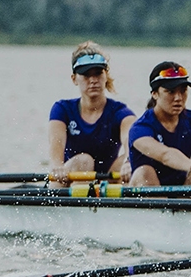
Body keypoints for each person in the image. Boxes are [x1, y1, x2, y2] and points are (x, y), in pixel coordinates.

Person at [126, 61, 191, 187]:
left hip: (181, 193)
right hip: (147, 190)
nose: (178, 98)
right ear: (155, 94)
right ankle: (160, 207)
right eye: (171, 91)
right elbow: (165, 155)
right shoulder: (140, 128)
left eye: (183, 91)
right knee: (145, 172)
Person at [46, 42, 135, 184]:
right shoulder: (62, 109)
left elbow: (130, 139)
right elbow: (56, 143)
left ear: (106, 76)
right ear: (74, 79)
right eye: (86, 75)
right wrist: (57, 165)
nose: (93, 80)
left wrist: (129, 161)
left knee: (132, 159)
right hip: (66, 182)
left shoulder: (120, 112)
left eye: (98, 74)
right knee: (84, 160)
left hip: (104, 184)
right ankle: (79, 203)